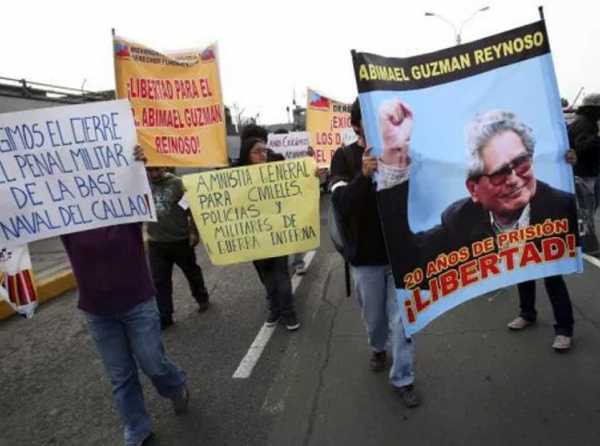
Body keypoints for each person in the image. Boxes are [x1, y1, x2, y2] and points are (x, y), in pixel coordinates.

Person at [377, 100, 577, 351]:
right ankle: (527, 312)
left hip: (548, 247)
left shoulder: (561, 205)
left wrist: (568, 162)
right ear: (473, 188)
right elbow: (408, 261)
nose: (515, 179)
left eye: (522, 162)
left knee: (551, 276)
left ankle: (564, 328)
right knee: (522, 271)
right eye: (500, 173)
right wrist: (395, 156)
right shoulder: (460, 221)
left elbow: (587, 232)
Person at [62, 146, 188, 446]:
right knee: (121, 376)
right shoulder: (66, 217)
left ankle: (176, 384)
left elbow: (143, 194)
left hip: (137, 303)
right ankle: (137, 429)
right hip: (97, 311)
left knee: (153, 364)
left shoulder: (127, 208)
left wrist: (136, 167)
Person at [329, 98, 419, 408]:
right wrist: (363, 177)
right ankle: (377, 347)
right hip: (366, 257)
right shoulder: (343, 158)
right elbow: (341, 204)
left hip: (401, 254)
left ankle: (404, 377)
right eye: (371, 120)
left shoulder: (404, 149)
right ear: (357, 126)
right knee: (376, 319)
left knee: (404, 321)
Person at [238, 137, 301, 331]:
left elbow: (297, 186)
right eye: (257, 152)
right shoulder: (236, 177)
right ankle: (274, 309)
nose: (262, 155)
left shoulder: (276, 172)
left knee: (281, 274)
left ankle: (289, 313)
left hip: (277, 232)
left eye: (265, 151)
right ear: (247, 155)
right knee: (266, 277)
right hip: (255, 236)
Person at [146, 166, 210, 329]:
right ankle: (165, 315)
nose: (153, 174)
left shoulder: (177, 184)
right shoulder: (143, 183)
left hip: (180, 240)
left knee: (191, 272)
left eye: (156, 170)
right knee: (160, 280)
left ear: (164, 167)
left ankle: (201, 297)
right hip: (156, 242)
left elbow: (190, 209)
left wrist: (194, 232)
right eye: (149, 170)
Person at [568, 93, 600, 212]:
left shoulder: (585, 121)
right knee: (588, 208)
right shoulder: (584, 123)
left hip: (586, 171)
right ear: (594, 109)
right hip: (585, 173)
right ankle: (588, 230)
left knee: (589, 206)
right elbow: (582, 146)